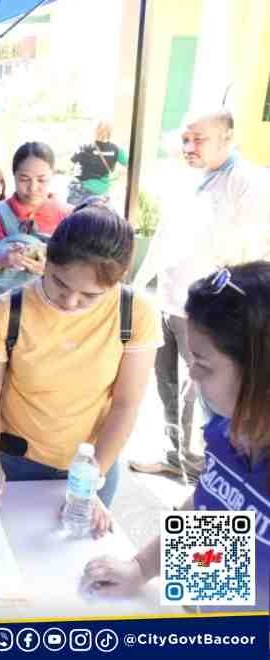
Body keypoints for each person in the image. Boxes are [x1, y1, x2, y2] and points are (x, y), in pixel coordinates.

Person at [85, 262, 269, 615]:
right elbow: (211, 510)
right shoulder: (227, 432)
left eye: (203, 364)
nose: (191, 377)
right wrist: (140, 569)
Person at [0, 203, 163, 515]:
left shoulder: (135, 313)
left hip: (94, 464)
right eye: (59, 283)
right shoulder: (8, 311)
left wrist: (93, 478)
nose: (70, 302)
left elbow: (126, 402)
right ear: (47, 259)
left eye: (90, 296)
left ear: (118, 280)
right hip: (18, 462)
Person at [129, 109, 268, 482]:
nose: (189, 147)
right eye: (185, 139)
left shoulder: (248, 183)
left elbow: (257, 255)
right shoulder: (185, 179)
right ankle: (179, 457)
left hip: (212, 316)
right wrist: (138, 285)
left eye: (199, 139)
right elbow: (163, 238)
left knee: (204, 395)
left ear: (228, 139)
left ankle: (199, 461)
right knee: (172, 386)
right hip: (170, 302)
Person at [0, 142, 69, 305]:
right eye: (24, 179)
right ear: (13, 176)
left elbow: (79, 277)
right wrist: (3, 260)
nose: (32, 187)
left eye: (41, 180)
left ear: (52, 176)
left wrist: (47, 271)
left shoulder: (66, 216)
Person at [68, 121, 128, 205]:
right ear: (109, 132)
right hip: (102, 194)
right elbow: (131, 164)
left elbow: (71, 162)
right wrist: (120, 175)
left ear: (95, 131)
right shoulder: (116, 149)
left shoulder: (85, 147)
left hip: (82, 191)